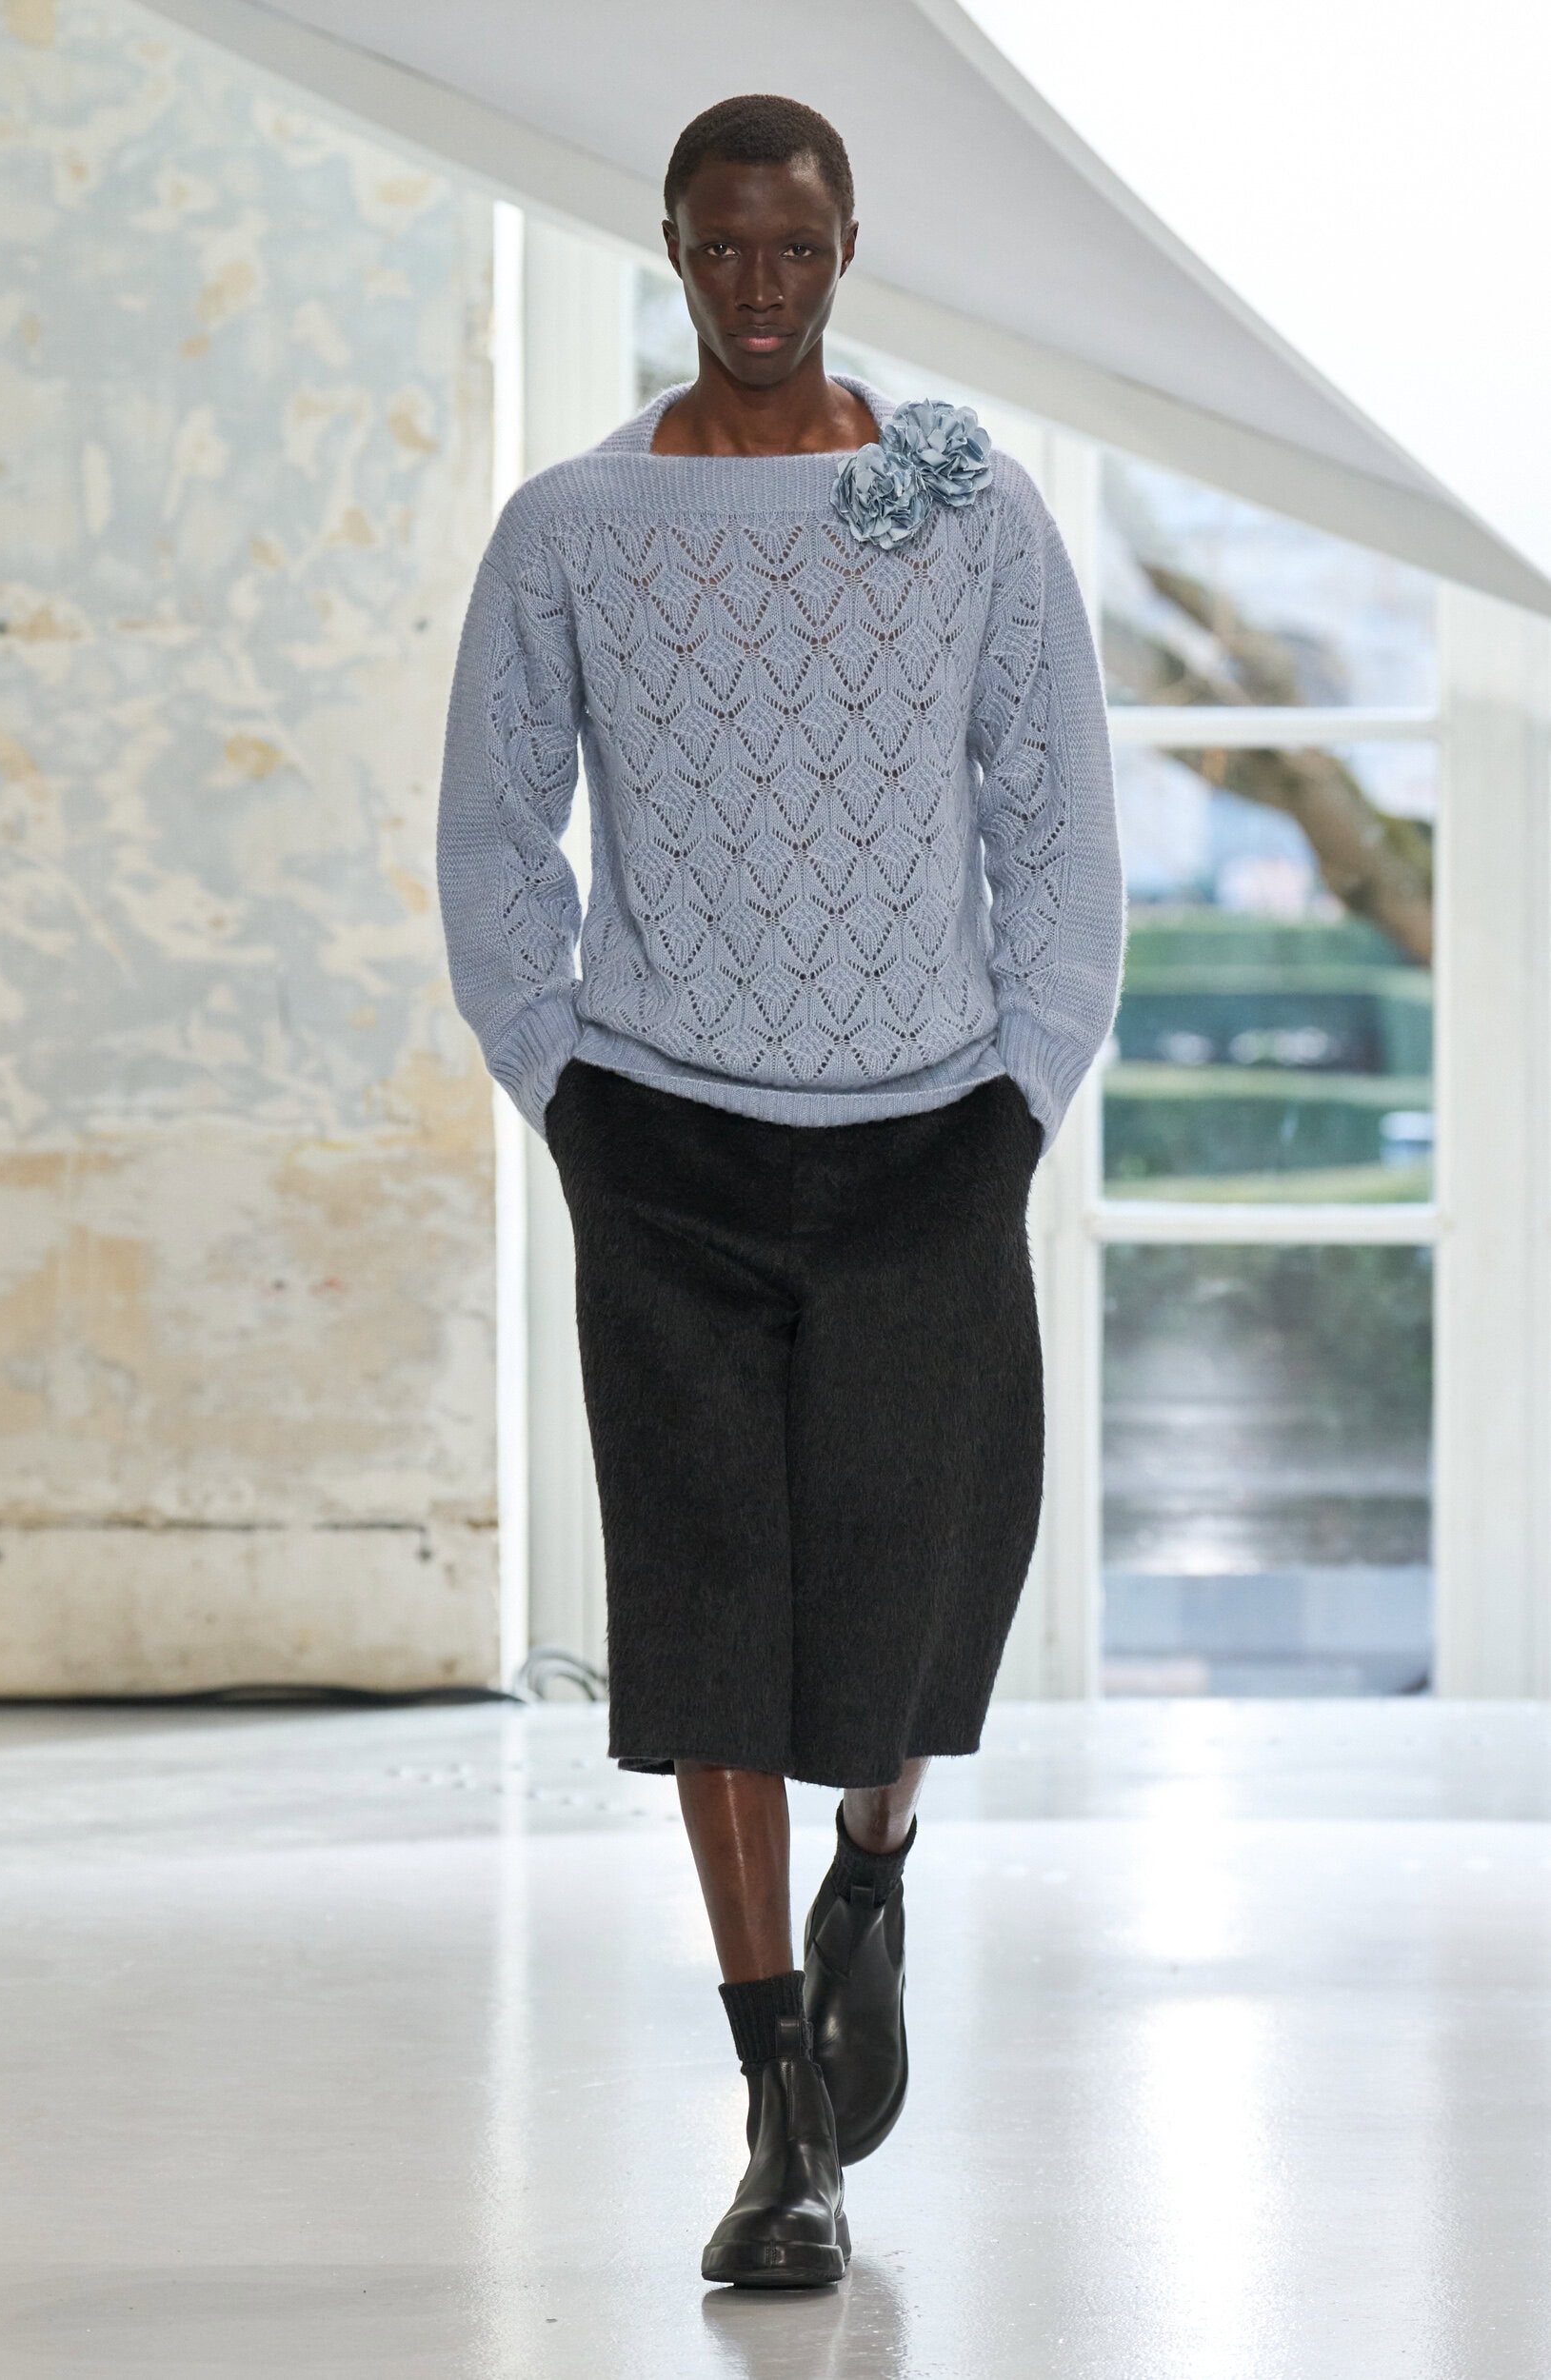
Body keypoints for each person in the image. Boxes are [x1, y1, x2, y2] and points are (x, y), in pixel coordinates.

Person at [438, 93, 1123, 2289]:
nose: (758, 284)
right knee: (708, 1614)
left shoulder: (968, 505)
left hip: (930, 1137)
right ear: (670, 246)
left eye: (795, 248)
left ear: (847, 251)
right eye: (721, 246)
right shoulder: (572, 527)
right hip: (668, 1142)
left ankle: (877, 1859)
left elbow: (1056, 814)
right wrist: (564, 1085)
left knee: (914, 1595)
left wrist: (1023, 1090)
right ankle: (781, 2120)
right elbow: (494, 832)